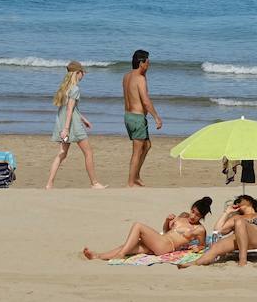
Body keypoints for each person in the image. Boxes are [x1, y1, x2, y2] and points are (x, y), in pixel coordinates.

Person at [82, 197, 213, 260]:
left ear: (202, 216)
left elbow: (202, 245)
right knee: (130, 246)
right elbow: (167, 230)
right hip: (160, 240)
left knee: (138, 225)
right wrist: (167, 220)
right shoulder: (183, 216)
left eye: (197, 215)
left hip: (166, 247)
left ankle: (120, 255)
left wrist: (198, 248)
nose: (193, 216)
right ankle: (98, 256)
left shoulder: (199, 229)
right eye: (193, 211)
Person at [45, 61, 105, 189]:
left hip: (63, 123)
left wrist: (83, 119)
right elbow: (69, 110)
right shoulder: (75, 89)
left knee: (61, 153)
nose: (83, 75)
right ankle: (94, 183)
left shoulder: (64, 88)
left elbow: (70, 109)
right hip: (72, 126)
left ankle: (49, 184)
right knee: (88, 152)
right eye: (82, 72)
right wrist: (67, 129)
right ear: (77, 73)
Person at [178, 195, 257, 268]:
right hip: (239, 240)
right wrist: (227, 212)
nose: (237, 202)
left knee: (239, 221)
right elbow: (218, 230)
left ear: (249, 201)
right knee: (215, 247)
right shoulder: (237, 216)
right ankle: (196, 263)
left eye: (239, 200)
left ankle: (242, 261)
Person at [123, 49, 162, 187]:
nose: (148, 66)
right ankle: (130, 183)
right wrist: (156, 117)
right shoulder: (140, 79)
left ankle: (136, 175)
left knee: (147, 145)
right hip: (137, 118)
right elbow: (145, 101)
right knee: (137, 152)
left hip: (128, 116)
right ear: (141, 63)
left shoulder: (127, 76)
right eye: (147, 63)